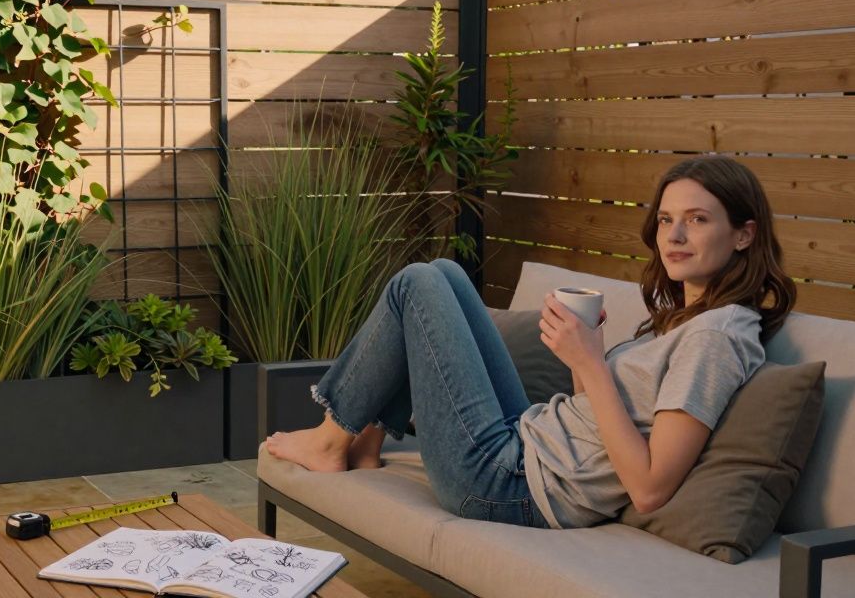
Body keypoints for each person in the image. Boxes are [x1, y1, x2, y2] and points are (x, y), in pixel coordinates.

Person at [264, 156, 796, 529]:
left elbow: (650, 488)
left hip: (510, 486)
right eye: (665, 220)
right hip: (526, 442)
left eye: (697, 220)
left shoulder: (716, 337)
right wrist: (584, 355)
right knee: (446, 273)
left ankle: (331, 441)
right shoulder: (688, 319)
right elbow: (597, 428)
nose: (674, 236)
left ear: (744, 234)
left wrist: (593, 363)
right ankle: (365, 444)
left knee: (417, 285)